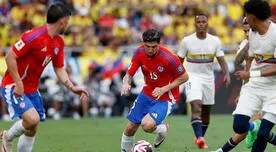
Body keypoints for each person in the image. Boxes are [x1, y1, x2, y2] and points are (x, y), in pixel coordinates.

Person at [0, 3, 89, 152]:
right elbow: (10, 57)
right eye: (68, 21)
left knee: (32, 128)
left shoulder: (59, 42)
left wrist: (71, 86)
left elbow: (59, 68)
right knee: (32, 119)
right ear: (63, 20)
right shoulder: (33, 36)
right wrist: (18, 83)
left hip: (32, 89)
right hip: (13, 85)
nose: (68, 24)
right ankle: (6, 137)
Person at [212, 1, 276, 152]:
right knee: (239, 125)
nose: (244, 20)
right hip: (254, 86)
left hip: (273, 89)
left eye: (246, 15)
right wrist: (245, 87)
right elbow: (249, 60)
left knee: (263, 134)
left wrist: (251, 74)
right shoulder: (252, 35)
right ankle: (254, 125)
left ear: (253, 17)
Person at [120, 29, 189, 152]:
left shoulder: (169, 58)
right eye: (147, 46)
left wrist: (164, 89)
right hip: (147, 92)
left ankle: (163, 129)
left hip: (166, 97)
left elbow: (184, 77)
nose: (150, 50)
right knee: (130, 127)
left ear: (159, 44)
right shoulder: (139, 52)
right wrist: (126, 83)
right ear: (143, 43)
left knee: (146, 125)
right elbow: (129, 74)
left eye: (154, 47)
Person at [177, 14, 231, 149]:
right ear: (195, 24)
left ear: (207, 24)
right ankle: (200, 138)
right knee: (196, 106)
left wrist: (227, 74)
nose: (201, 24)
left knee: (206, 112)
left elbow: (221, 60)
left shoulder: (215, 41)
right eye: (198, 22)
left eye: (203, 22)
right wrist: (176, 77)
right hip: (192, 77)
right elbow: (179, 61)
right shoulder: (187, 41)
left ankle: (199, 137)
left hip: (208, 78)